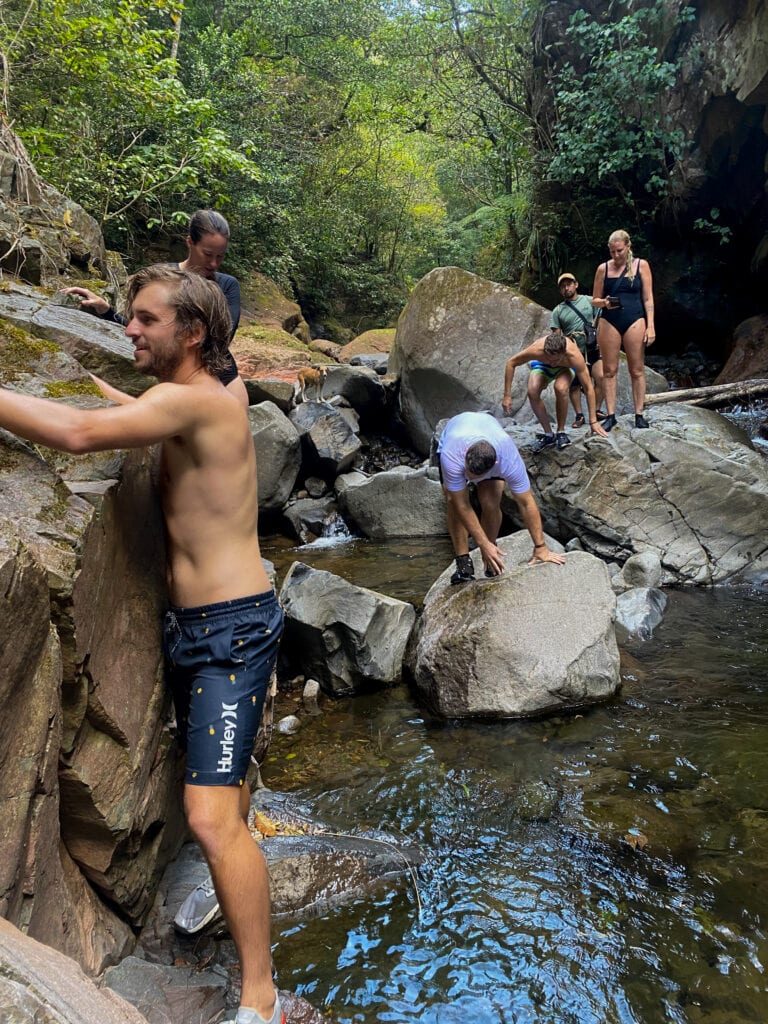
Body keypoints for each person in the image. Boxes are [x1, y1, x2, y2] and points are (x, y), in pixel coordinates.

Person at [0, 266, 284, 1024]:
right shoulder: (215, 392)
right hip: (208, 625)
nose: (128, 328)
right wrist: (130, 399)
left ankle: (261, 996)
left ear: (191, 333)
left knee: (206, 818)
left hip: (231, 632)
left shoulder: (194, 401)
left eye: (144, 320)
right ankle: (246, 834)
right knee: (223, 800)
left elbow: (79, 434)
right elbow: (159, 418)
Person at [65, 209, 249, 408]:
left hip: (222, 378)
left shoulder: (227, 285)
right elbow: (145, 329)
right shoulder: (161, 278)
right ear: (190, 242)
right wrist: (107, 311)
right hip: (173, 376)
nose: (213, 263)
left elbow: (221, 338)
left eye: (220, 257)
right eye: (207, 254)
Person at [435, 410, 566, 584]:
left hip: (491, 436)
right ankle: (463, 562)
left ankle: (490, 555)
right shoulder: (452, 455)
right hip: (457, 432)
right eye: (469, 473)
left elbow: (526, 502)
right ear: (466, 454)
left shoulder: (508, 459)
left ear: (495, 465)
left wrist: (540, 547)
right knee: (453, 502)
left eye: (476, 476)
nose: (471, 479)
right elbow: (462, 505)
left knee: (490, 502)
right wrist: (481, 543)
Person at [591, 229, 656, 431]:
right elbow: (594, 300)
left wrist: (651, 325)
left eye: (619, 251)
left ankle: (639, 414)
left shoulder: (641, 265)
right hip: (609, 321)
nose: (616, 255)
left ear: (628, 247)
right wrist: (604, 302)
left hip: (635, 319)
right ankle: (611, 415)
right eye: (612, 252)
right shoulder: (603, 269)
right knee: (609, 371)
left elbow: (648, 297)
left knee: (636, 369)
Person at [502, 330, 609, 451]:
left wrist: (593, 421)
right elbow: (511, 363)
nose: (553, 363)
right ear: (545, 351)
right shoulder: (536, 349)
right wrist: (507, 395)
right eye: (549, 358)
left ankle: (561, 432)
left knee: (560, 388)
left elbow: (588, 388)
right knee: (532, 392)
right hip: (542, 366)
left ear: (564, 353)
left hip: (565, 368)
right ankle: (548, 434)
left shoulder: (574, 356)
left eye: (556, 360)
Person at [550, 271, 604, 427]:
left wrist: (596, 334)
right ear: (560, 290)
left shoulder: (588, 301)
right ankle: (579, 415)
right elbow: (557, 335)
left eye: (569, 284)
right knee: (574, 385)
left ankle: (596, 410)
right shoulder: (558, 311)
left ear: (576, 284)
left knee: (601, 378)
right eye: (563, 286)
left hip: (592, 347)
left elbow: (600, 316)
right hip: (573, 351)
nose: (566, 288)